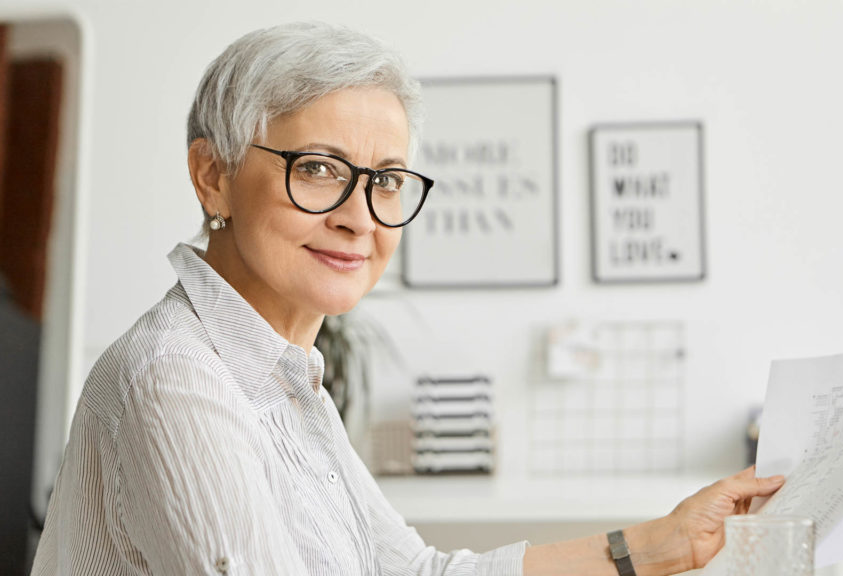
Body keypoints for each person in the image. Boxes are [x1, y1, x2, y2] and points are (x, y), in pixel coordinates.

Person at [30, 22, 784, 576]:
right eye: (321, 168)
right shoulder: (175, 377)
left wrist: (664, 543)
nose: (359, 215)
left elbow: (414, 572)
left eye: (387, 179)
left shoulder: (283, 376)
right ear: (213, 175)